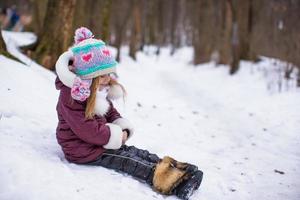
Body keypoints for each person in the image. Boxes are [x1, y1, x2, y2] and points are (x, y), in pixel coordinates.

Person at [55, 27, 203, 200]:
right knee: (130, 162)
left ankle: (180, 170)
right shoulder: (71, 96)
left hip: (98, 141)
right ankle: (174, 184)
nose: (108, 79)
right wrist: (115, 135)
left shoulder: (97, 89)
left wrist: (120, 126)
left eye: (109, 74)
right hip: (81, 148)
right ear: (88, 76)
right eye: (102, 76)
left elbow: (109, 112)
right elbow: (86, 130)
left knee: (137, 153)